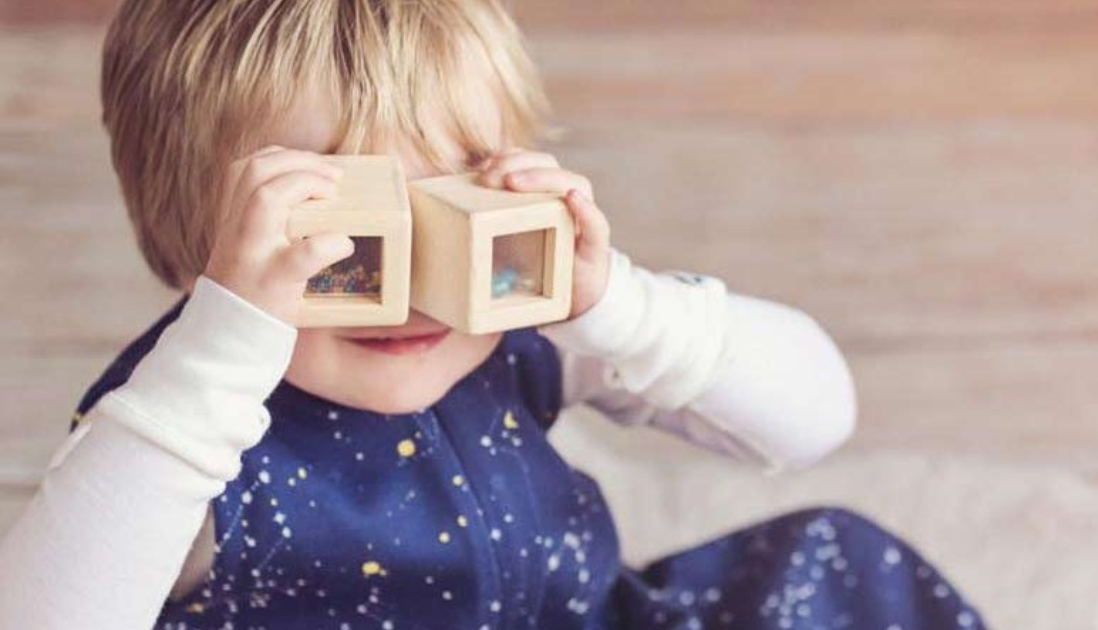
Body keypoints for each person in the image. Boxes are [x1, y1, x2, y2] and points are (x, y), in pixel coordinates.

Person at [0, 1, 987, 629]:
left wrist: (619, 306)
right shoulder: (179, 431)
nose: (417, 280)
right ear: (202, 248)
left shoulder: (522, 330)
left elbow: (817, 419)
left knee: (836, 569)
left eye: (454, 207)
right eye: (333, 226)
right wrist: (218, 354)